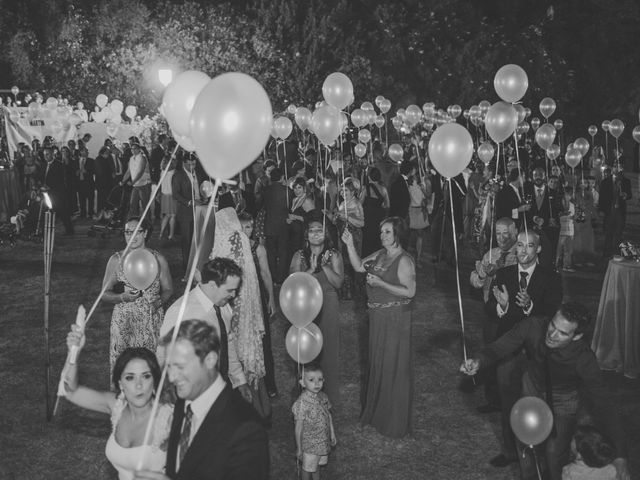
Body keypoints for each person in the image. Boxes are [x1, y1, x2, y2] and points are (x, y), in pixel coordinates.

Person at [460, 303, 629, 480]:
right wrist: (479, 360)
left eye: (563, 333)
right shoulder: (533, 326)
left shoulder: (584, 359)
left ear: (577, 336)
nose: (552, 335)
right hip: (532, 387)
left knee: (555, 454)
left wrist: (621, 454)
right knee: (525, 446)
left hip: (564, 399)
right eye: (552, 325)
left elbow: (605, 405)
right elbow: (501, 346)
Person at [134, 319, 269, 480]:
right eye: (169, 366)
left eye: (180, 367)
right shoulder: (184, 401)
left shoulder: (245, 428)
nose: (172, 377)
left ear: (210, 360)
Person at [485, 229, 562, 468]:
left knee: (535, 402)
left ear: (538, 249)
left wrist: (530, 306)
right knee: (508, 402)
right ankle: (509, 451)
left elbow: (552, 310)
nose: (523, 251)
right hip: (508, 352)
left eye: (529, 246)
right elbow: (490, 308)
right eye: (519, 245)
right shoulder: (504, 274)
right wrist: (503, 307)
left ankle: (535, 451)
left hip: (535, 352)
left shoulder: (551, 278)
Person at [62, 325, 173, 480]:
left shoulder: (169, 418)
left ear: (155, 381)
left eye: (146, 376)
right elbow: (70, 392)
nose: (139, 385)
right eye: (130, 377)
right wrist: (74, 352)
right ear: (120, 383)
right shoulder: (116, 406)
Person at [342, 217, 416, 438]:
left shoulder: (404, 261)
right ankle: (376, 412)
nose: (382, 235)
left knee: (392, 364)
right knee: (378, 361)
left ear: (398, 235)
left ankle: (392, 419)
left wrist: (381, 283)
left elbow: (410, 291)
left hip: (395, 319)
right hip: (377, 317)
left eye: (387, 232)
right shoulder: (380, 254)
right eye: (381, 231)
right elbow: (357, 266)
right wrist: (349, 245)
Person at [209, 210, 270, 419]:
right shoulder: (241, 240)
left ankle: (246, 409)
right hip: (243, 306)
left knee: (233, 349)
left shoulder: (229, 241)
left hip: (234, 306)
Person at [102, 217, 173, 373]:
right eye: (127, 232)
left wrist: (158, 303)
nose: (131, 236)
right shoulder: (116, 260)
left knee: (150, 366)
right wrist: (122, 297)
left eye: (136, 232)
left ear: (145, 233)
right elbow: (104, 294)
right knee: (122, 367)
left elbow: (168, 289)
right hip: (124, 321)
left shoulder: (158, 259)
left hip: (150, 319)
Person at [290, 215, 344, 405]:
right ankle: (307, 395)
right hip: (306, 309)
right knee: (306, 349)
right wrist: (311, 270)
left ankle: (327, 395)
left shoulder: (335, 255)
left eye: (319, 230)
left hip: (328, 306)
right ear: (306, 234)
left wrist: (324, 267)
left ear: (325, 233)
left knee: (328, 350)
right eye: (311, 230)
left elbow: (338, 283)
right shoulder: (299, 255)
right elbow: (293, 283)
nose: (315, 233)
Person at [469, 217, 518, 412]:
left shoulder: (519, 252)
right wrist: (482, 275)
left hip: (512, 315)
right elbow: (475, 281)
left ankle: (510, 399)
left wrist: (500, 271)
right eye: (497, 233)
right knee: (489, 353)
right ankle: (493, 398)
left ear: (514, 232)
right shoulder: (491, 253)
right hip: (491, 314)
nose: (500, 237)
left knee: (509, 358)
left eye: (505, 232)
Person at [239, 212, 278, 398]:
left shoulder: (258, 249)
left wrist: (271, 298)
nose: (246, 231)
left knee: (263, 341)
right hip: (239, 300)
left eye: (249, 227)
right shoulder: (232, 250)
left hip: (257, 297)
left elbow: (266, 274)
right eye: (242, 227)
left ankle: (269, 384)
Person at [293, 363, 337, 480]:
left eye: (320, 379)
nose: (317, 383)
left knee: (316, 466)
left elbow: (328, 416)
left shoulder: (323, 396)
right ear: (302, 383)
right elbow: (298, 428)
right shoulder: (302, 403)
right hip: (310, 445)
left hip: (322, 442)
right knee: (307, 468)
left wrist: (332, 433)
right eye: (311, 380)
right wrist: (299, 448)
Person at [324, 177, 364, 300]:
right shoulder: (342, 204)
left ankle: (355, 290)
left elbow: (362, 223)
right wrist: (329, 215)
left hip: (354, 237)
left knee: (352, 262)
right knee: (344, 263)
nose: (343, 193)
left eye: (346, 191)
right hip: (342, 236)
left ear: (352, 192)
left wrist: (347, 217)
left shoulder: (356, 204)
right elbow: (336, 222)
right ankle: (346, 290)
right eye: (342, 191)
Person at [172, 154, 204, 274]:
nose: (192, 166)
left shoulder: (198, 174)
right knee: (187, 241)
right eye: (190, 164)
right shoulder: (178, 175)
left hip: (199, 210)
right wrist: (190, 202)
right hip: (186, 212)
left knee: (198, 239)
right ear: (184, 163)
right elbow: (175, 194)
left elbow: (200, 189)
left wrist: (203, 197)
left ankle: (197, 265)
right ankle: (187, 267)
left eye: (194, 164)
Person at [263, 167, 290, 284]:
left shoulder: (265, 190)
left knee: (271, 253)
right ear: (282, 177)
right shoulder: (287, 190)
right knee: (283, 251)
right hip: (283, 225)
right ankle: (281, 277)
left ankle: (273, 277)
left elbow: (262, 206)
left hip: (269, 225)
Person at [599, 164, 632, 257]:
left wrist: (626, 195)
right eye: (614, 167)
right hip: (609, 211)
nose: (616, 169)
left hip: (620, 211)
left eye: (618, 167)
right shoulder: (605, 181)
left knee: (619, 233)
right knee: (608, 233)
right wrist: (601, 210)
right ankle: (606, 254)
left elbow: (630, 195)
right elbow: (602, 197)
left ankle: (617, 253)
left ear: (622, 169)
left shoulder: (626, 181)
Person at [42, 146, 74, 235]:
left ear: (52, 154)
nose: (45, 156)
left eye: (47, 154)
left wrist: (49, 187)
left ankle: (69, 230)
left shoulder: (59, 165)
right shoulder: (43, 164)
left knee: (63, 212)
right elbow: (42, 177)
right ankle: (46, 231)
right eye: (44, 154)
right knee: (47, 212)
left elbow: (60, 180)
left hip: (58, 193)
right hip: (46, 194)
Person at [360, 166, 389, 257]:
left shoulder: (366, 188)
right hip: (378, 216)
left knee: (367, 238)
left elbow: (359, 204)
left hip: (368, 216)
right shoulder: (383, 189)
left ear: (369, 177)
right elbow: (387, 205)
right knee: (377, 238)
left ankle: (365, 259)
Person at [287, 177, 316, 261]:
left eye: (299, 187)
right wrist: (290, 219)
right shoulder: (294, 199)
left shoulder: (307, 200)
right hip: (293, 235)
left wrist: (296, 217)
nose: (297, 190)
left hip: (303, 236)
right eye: (295, 188)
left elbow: (312, 220)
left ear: (304, 188)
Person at [122, 142, 152, 219]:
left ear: (139, 149)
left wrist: (132, 182)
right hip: (136, 185)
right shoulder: (131, 159)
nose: (133, 150)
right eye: (132, 149)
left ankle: (147, 223)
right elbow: (128, 171)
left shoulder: (142, 158)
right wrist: (122, 181)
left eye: (135, 148)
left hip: (144, 184)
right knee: (133, 204)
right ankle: (134, 222)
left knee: (145, 205)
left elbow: (140, 172)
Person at [407, 173, 431, 264]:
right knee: (413, 235)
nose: (416, 178)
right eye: (415, 177)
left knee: (420, 236)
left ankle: (418, 257)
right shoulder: (409, 188)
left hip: (420, 211)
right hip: (413, 211)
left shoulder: (420, 187)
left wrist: (423, 189)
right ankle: (412, 257)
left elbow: (427, 197)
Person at [572, 178, 597, 267]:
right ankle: (577, 259)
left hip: (587, 219)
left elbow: (592, 206)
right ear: (578, 184)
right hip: (578, 218)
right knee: (578, 240)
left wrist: (594, 217)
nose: (583, 184)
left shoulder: (589, 194)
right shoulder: (575, 194)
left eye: (585, 183)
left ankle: (588, 258)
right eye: (581, 183)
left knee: (588, 240)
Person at [556, 186, 576, 272]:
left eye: (569, 195)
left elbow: (575, 217)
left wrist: (575, 217)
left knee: (568, 250)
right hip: (561, 230)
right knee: (559, 250)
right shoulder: (559, 205)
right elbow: (558, 216)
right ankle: (556, 265)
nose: (568, 197)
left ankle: (567, 265)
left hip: (570, 230)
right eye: (566, 195)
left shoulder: (572, 205)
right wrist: (564, 214)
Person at [158, 155, 177, 241]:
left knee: (167, 215)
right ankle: (171, 235)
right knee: (173, 215)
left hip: (164, 195)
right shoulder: (173, 172)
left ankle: (161, 233)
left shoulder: (162, 171)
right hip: (171, 195)